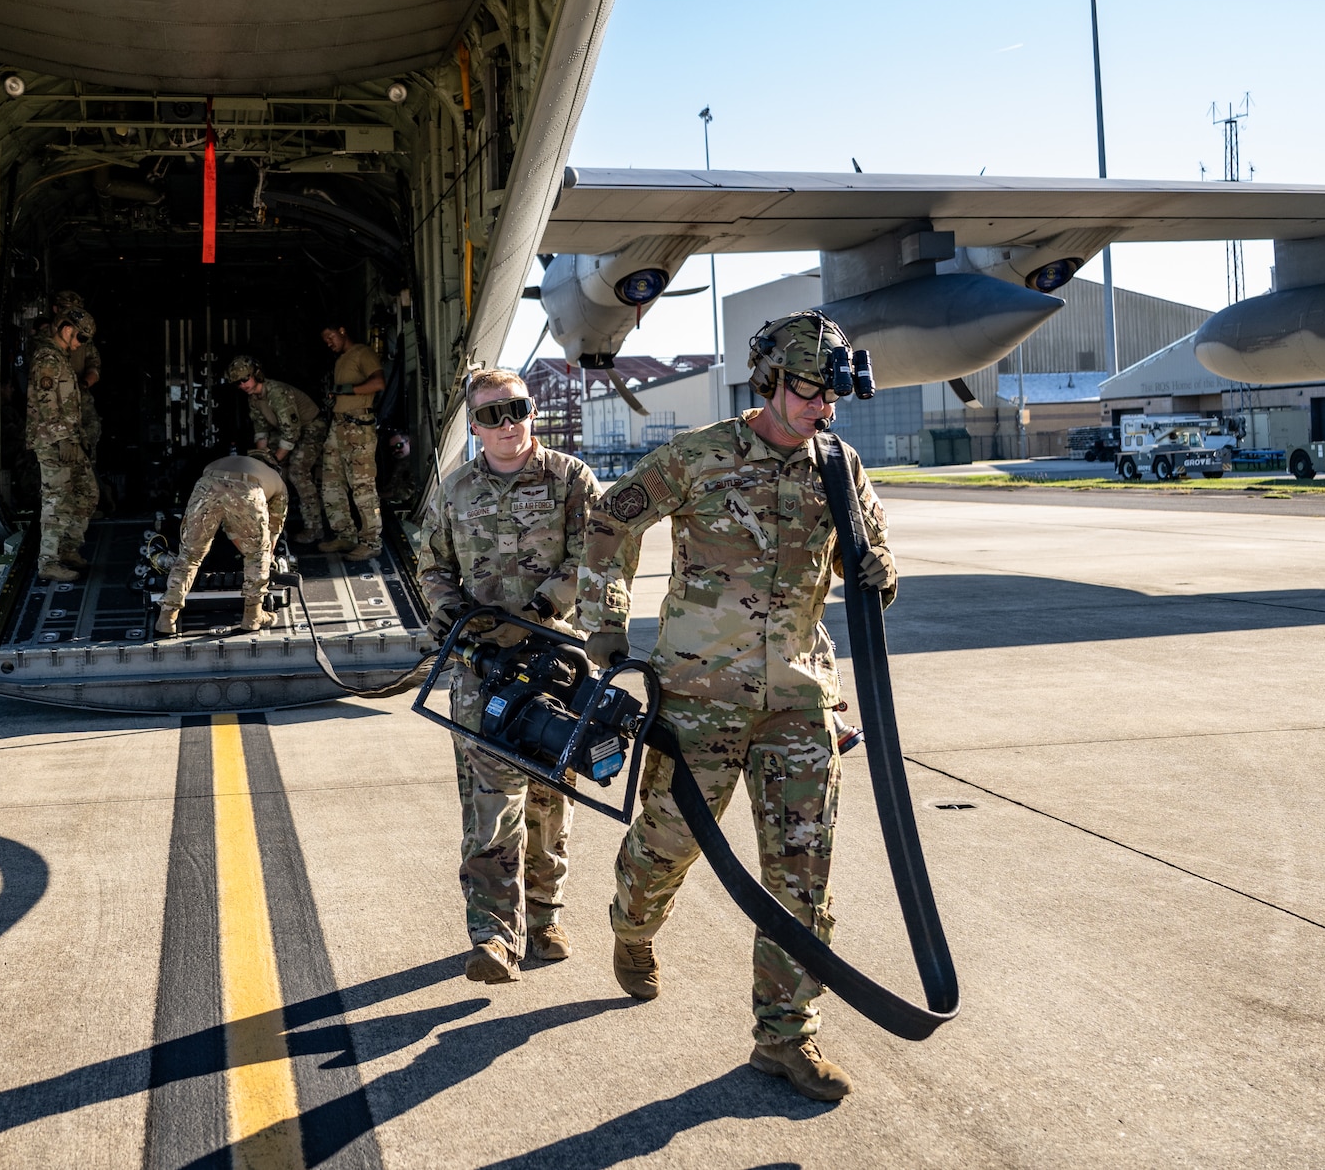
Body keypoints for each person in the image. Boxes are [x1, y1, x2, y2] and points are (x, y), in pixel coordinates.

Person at [576, 311, 898, 1103]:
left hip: (798, 698)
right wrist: (606, 625)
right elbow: (611, 520)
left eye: (831, 394)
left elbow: (876, 552)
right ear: (768, 380)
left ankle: (785, 1037)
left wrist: (880, 569)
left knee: (803, 873)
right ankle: (632, 926)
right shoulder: (700, 456)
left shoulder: (840, 464)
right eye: (806, 389)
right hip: (697, 696)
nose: (820, 406)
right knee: (667, 843)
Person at [417, 368, 599, 983]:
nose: (507, 423)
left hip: (555, 666)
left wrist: (542, 611)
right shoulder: (456, 489)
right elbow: (432, 567)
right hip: (481, 673)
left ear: (531, 411)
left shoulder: (570, 479)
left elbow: (595, 558)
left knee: (552, 800)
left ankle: (545, 918)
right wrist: (454, 616)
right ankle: (493, 935)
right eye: (491, 414)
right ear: (474, 425)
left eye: (515, 409)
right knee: (489, 806)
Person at [155, 453, 288, 637]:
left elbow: (229, 523)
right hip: (247, 488)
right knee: (258, 554)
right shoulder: (277, 482)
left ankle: (167, 618)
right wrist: (260, 558)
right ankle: (253, 616)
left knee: (189, 555)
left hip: (207, 483)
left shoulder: (229, 461)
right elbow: (273, 531)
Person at [27, 309, 98, 582]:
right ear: (67, 330)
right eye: (80, 337)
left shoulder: (61, 359)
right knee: (56, 500)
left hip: (70, 440)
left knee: (88, 492)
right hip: (54, 442)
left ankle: (68, 549)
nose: (80, 344)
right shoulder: (48, 358)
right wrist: (63, 438)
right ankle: (48, 561)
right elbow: (47, 404)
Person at [225, 355, 328, 543]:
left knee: (297, 471)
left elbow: (291, 432)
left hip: (311, 428)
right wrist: (263, 461)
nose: (242, 385)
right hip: (287, 433)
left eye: (245, 379)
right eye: (237, 383)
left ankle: (315, 528)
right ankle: (273, 526)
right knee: (269, 472)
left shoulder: (277, 393)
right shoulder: (254, 399)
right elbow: (261, 431)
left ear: (256, 374)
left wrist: (274, 460)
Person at [318, 324, 386, 561]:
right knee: (331, 481)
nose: (329, 342)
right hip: (338, 426)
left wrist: (346, 390)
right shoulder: (341, 360)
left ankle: (371, 541)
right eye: (325, 340)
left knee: (362, 485)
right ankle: (345, 533)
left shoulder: (362, 353)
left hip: (358, 424)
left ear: (342, 330)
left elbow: (378, 383)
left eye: (330, 336)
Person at [50, 289, 104, 462]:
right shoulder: (46, 342)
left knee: (90, 431)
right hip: (53, 400)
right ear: (56, 310)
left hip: (79, 393)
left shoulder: (82, 339)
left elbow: (94, 366)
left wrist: (84, 384)